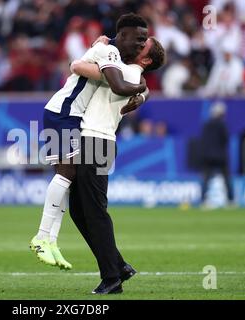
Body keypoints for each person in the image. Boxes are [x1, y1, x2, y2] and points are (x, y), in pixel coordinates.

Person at [30, 14, 149, 270]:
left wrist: (142, 91)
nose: (142, 44)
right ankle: (41, 237)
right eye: (139, 38)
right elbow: (111, 83)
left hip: (67, 112)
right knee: (66, 173)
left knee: (68, 179)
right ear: (124, 35)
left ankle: (51, 241)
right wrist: (141, 89)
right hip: (65, 111)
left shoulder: (105, 49)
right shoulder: (109, 52)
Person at [69, 36, 166, 294]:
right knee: (79, 210)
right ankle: (119, 266)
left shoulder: (124, 73)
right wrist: (145, 93)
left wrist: (99, 47)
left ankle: (111, 277)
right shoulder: (129, 75)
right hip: (94, 140)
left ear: (145, 59)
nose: (136, 43)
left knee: (95, 211)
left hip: (96, 141)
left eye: (142, 45)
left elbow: (78, 66)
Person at [200, 102, 234, 207]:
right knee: (226, 178)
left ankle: (204, 200)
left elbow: (203, 140)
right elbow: (225, 139)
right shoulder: (222, 125)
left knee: (206, 179)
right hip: (220, 156)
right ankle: (230, 201)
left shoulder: (206, 125)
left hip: (208, 156)